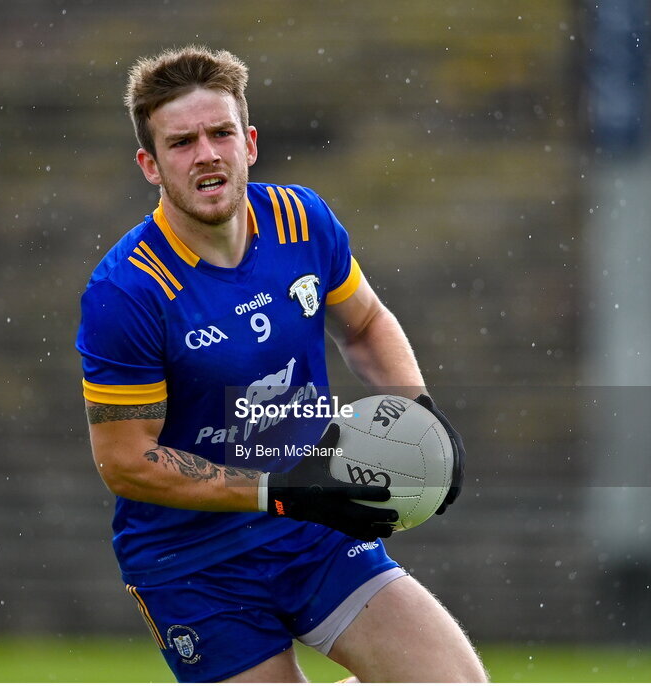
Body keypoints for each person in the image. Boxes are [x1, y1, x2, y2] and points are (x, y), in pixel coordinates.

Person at [76, 44, 486, 683]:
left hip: (314, 530)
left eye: (221, 133)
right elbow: (125, 460)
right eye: (181, 142)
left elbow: (366, 323)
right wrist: (276, 490)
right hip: (194, 564)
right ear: (150, 165)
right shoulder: (127, 292)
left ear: (250, 143)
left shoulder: (301, 220)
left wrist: (421, 413)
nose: (206, 154)